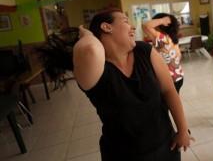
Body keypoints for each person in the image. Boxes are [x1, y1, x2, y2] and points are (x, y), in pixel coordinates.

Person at [37, 8, 193, 160]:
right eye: (125, 21)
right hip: (123, 154)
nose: (132, 26)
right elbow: (91, 48)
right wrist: (87, 34)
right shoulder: (94, 70)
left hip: (165, 146)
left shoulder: (145, 51)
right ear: (106, 27)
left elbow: (169, 90)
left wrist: (182, 130)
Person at [142, 13, 184, 93]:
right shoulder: (171, 38)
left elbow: (145, 26)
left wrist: (162, 20)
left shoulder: (162, 38)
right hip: (178, 77)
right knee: (173, 103)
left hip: (169, 79)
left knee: (168, 104)